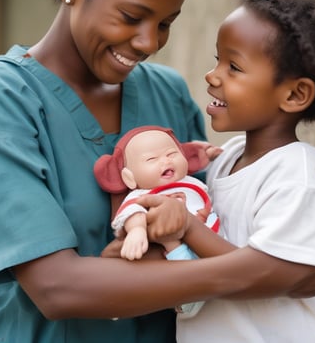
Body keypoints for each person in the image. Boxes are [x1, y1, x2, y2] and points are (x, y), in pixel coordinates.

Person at [0, 0, 315, 342]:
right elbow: (57, 288)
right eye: (130, 17)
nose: (149, 43)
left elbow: (212, 222)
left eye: (165, 24)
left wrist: (292, 250)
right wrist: (264, 272)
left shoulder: (167, 93)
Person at [173, 0, 315, 342]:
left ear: (294, 94)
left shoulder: (295, 173)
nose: (213, 76)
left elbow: (267, 271)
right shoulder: (227, 159)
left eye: (233, 67)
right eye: (216, 60)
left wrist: (188, 229)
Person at [94, 125, 221, 317]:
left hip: (212, 239)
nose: (165, 161)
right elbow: (131, 211)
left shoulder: (193, 182)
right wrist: (136, 230)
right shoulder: (143, 193)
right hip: (176, 246)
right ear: (129, 177)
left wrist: (208, 155)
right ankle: (186, 301)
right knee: (183, 268)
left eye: (171, 153)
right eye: (152, 159)